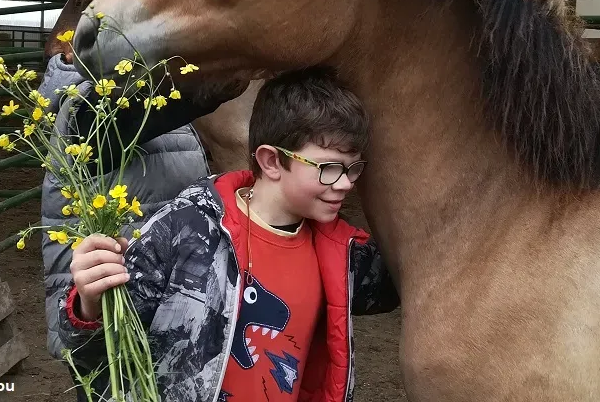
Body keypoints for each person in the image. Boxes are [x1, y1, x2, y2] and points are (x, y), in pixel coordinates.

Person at [59, 66, 400, 402]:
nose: (345, 185)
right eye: (329, 169)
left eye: (353, 169)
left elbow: (403, 283)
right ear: (271, 162)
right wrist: (89, 305)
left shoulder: (341, 253)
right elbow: (102, 355)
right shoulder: (186, 229)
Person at [39, 52, 249, 396]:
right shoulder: (84, 106)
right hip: (109, 312)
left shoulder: (143, 96)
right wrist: (236, 59)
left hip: (157, 299)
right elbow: (162, 105)